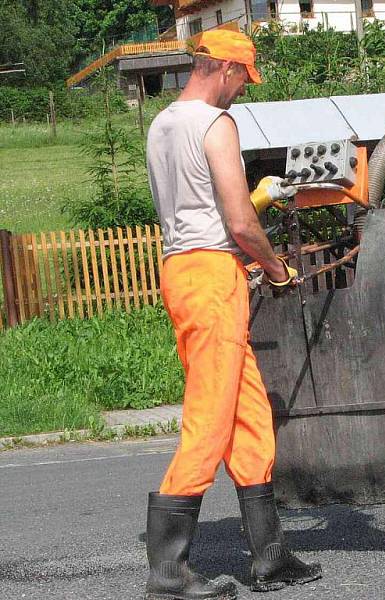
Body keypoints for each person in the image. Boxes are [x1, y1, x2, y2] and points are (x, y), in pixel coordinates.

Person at [144, 29, 322, 599]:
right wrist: (277, 269)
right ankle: (169, 576)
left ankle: (270, 558)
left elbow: (194, 208)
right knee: (210, 417)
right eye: (244, 75)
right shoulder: (217, 125)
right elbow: (240, 221)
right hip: (213, 276)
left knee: (248, 417)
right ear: (223, 67)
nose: (244, 87)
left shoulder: (162, 123)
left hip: (182, 271)